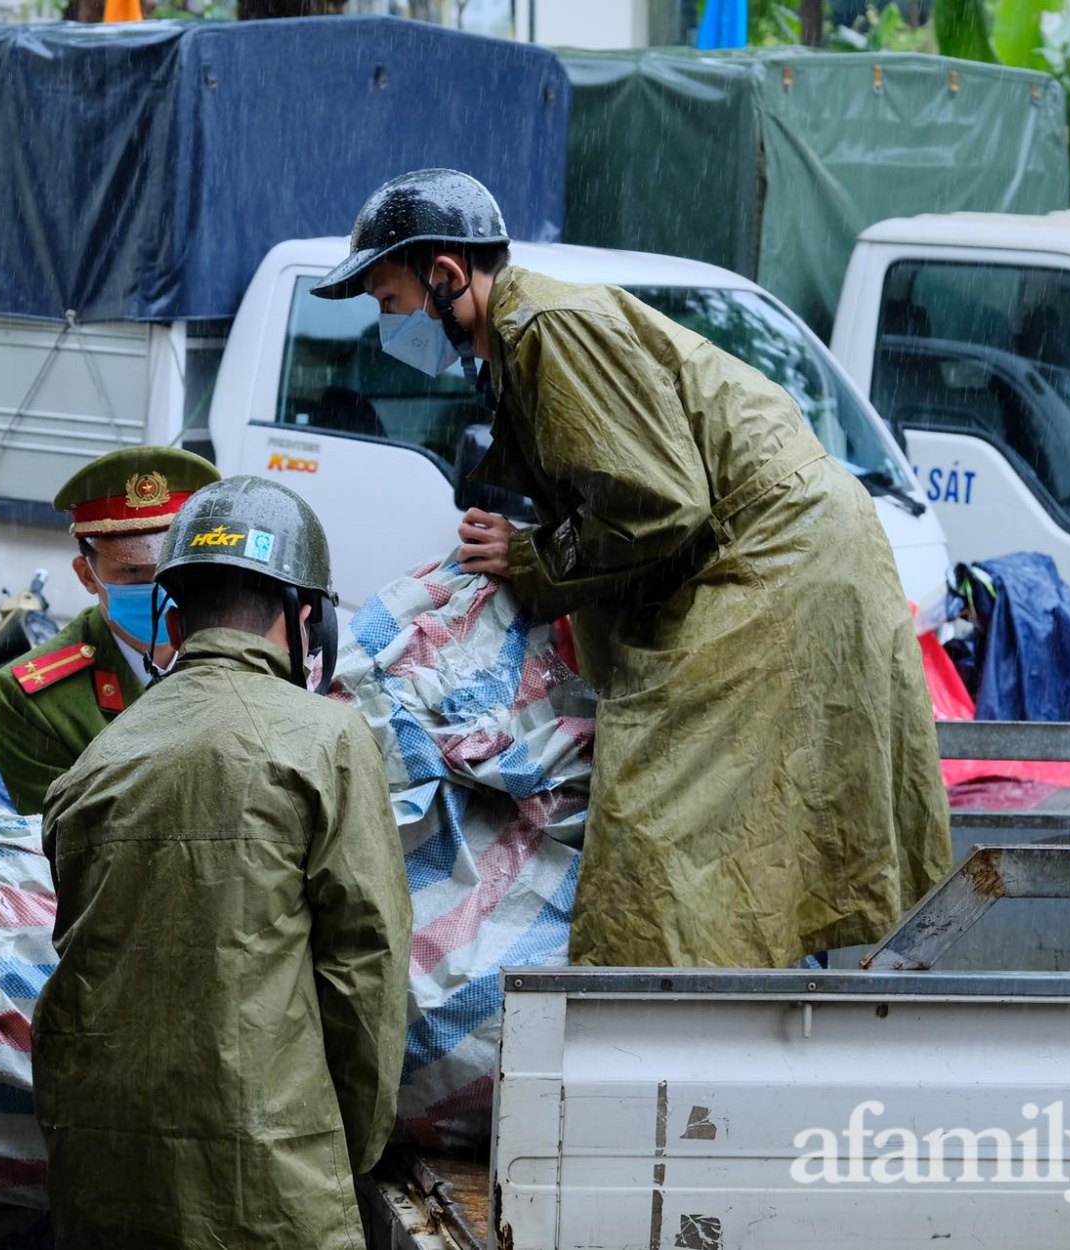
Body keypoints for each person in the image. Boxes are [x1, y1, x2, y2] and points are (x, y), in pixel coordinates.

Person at [313, 168, 951, 969]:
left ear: (445, 277)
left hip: (777, 554)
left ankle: (668, 1037)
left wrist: (531, 558)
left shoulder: (544, 326)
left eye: (388, 300)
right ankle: (722, 1016)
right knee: (736, 816)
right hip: (777, 549)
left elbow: (658, 504)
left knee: (658, 810)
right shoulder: (525, 334)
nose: (389, 324)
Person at [33, 477, 411, 1250]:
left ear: (172, 614)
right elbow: (365, 970)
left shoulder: (99, 758)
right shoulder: (326, 740)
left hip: (100, 1173)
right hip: (269, 1184)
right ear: (308, 616)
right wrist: (353, 1153)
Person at [0, 445, 220, 814]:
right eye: (131, 571)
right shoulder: (33, 699)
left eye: (171, 567)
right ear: (86, 576)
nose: (158, 585)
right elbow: (66, 841)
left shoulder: (240, 655)